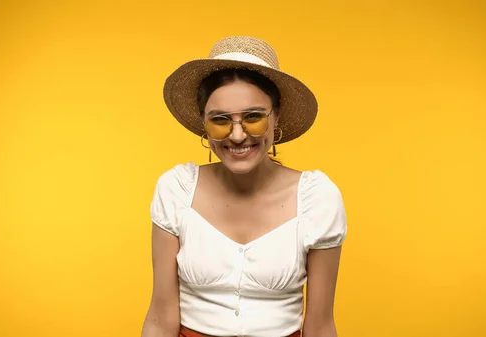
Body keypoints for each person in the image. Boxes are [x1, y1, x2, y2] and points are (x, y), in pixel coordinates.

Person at [141, 36, 347, 337]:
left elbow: (319, 326)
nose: (237, 135)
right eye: (220, 120)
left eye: (253, 118)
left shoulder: (318, 199)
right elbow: (160, 318)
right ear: (204, 126)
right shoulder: (176, 190)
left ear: (276, 117)